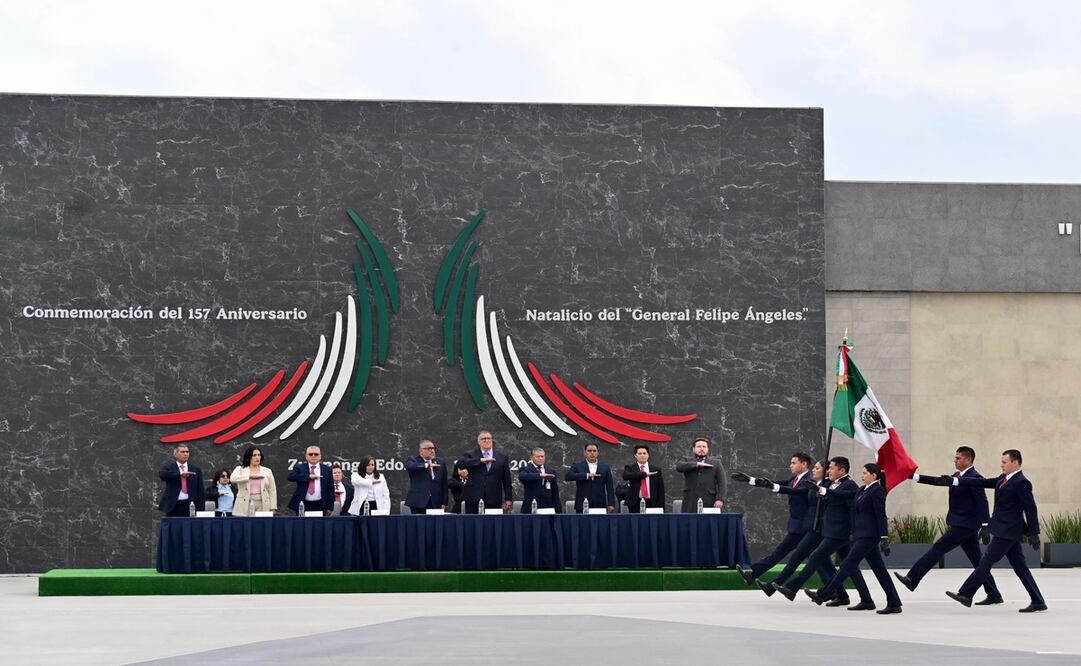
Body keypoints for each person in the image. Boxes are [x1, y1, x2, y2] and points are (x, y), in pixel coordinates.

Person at [893, 446, 1001, 604]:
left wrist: (985, 525)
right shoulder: (957, 476)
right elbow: (937, 481)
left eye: (958, 458)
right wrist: (912, 476)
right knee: (978, 561)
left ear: (969, 460)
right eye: (955, 458)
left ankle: (912, 578)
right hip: (962, 524)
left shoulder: (975, 477)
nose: (955, 460)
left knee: (938, 548)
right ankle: (994, 594)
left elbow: (982, 503)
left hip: (966, 526)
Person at [945, 449, 1046, 612]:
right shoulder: (1003, 479)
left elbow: (1030, 509)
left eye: (1004, 462)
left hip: (1008, 531)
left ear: (1015, 463)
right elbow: (982, 482)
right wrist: (956, 481)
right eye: (1002, 462)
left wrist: (1034, 532)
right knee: (1020, 567)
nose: (1001, 465)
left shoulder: (1022, 482)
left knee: (986, 561)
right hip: (1004, 530)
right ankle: (1038, 600)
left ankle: (966, 593)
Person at [753, 461, 865, 607]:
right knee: (849, 566)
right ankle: (859, 598)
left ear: (842, 470)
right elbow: (796, 490)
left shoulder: (849, 485)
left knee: (815, 558)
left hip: (838, 532)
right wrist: (770, 485)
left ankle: (793, 588)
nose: (828, 470)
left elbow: (848, 506)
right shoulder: (826, 484)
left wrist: (853, 531)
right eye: (829, 468)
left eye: (830, 468)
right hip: (825, 529)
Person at [804, 463, 903, 614]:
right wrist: (822, 490)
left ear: (874, 475)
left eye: (865, 473)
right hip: (860, 535)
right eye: (862, 473)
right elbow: (842, 495)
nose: (862, 476)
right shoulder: (862, 490)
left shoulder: (877, 491)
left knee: (847, 565)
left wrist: (884, 537)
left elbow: (880, 515)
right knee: (879, 570)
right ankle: (892, 602)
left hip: (869, 536)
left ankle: (824, 594)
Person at [733, 451, 814, 581]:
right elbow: (777, 483)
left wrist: (774, 487)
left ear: (804, 464)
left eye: (794, 463)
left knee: (781, 553)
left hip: (803, 527)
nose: (790, 465)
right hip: (797, 526)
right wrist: (751, 479)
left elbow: (796, 491)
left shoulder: (810, 480)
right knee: (820, 562)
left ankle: (753, 574)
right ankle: (752, 574)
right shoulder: (794, 479)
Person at [456, 431, 513, 514]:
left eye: (489, 438)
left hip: (494, 497)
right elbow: (460, 463)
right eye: (484, 439)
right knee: (472, 524)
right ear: (478, 442)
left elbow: (506, 480)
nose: (487, 440)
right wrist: (479, 461)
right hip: (473, 497)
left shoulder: (502, 457)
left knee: (493, 524)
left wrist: (508, 498)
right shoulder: (470, 454)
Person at [675, 437, 726, 512]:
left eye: (704, 447)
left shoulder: (716, 462)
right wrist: (696, 464)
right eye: (699, 446)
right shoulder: (687, 460)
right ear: (693, 449)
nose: (701, 449)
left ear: (708, 449)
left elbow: (722, 482)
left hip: (709, 500)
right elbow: (679, 467)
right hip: (690, 500)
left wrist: (720, 499)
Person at [566, 443, 616, 513]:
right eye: (589, 451)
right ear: (585, 453)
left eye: (594, 451)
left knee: (600, 523)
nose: (592, 453)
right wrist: (586, 475)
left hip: (600, 504)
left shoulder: (605, 467)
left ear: (598, 453)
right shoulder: (578, 465)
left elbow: (610, 487)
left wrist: (611, 504)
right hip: (582, 504)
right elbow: (568, 476)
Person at [158, 443, 205, 517]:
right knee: (174, 527)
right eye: (182, 452)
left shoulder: (195, 469)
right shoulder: (169, 467)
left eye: (187, 452)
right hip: (174, 505)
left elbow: (200, 490)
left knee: (189, 527)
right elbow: (162, 475)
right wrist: (180, 474)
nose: (185, 454)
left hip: (190, 505)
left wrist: (201, 509)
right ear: (175, 454)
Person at [231, 446, 278, 516]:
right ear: (248, 457)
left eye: (259, 455)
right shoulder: (240, 469)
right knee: (245, 525)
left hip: (263, 503)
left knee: (261, 525)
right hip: (245, 502)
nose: (257, 457)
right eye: (254, 455)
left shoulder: (267, 471)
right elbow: (233, 479)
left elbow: (272, 490)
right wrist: (249, 477)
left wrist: (273, 507)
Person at [405, 439, 448, 514]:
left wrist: (444, 502)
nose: (432, 451)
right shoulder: (413, 460)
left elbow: (444, 484)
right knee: (419, 524)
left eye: (433, 448)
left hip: (436, 502)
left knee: (435, 525)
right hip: (418, 502)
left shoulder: (440, 462)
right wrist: (426, 465)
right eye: (429, 449)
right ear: (421, 451)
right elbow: (409, 466)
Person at [288, 445, 334, 515]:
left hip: (320, 504)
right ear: (306, 456)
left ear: (320, 456)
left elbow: (331, 489)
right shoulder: (300, 467)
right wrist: (308, 476)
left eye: (316, 454)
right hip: (303, 504)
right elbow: (291, 477)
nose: (313, 456)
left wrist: (330, 507)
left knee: (319, 525)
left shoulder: (327, 469)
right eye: (310, 454)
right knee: (302, 525)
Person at [622, 444, 666, 512]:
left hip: (652, 502)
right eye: (639, 453)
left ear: (648, 455)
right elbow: (625, 476)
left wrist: (662, 507)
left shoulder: (655, 469)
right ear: (635, 456)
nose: (642, 455)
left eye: (644, 453)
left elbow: (660, 489)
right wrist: (644, 474)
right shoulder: (630, 467)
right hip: (635, 502)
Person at [518, 447, 561, 513]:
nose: (540, 458)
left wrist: (558, 510)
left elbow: (555, 492)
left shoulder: (550, 471)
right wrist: (540, 475)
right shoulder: (526, 469)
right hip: (531, 506)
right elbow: (522, 476)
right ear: (531, 457)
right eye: (538, 456)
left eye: (542, 456)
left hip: (547, 507)